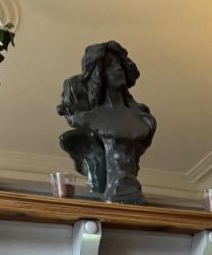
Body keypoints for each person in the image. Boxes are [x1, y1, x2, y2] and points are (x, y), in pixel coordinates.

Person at [57, 41, 156, 204]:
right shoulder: (89, 119)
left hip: (136, 194)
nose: (118, 68)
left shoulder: (144, 118)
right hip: (113, 192)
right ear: (98, 74)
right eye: (110, 65)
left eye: (119, 64)